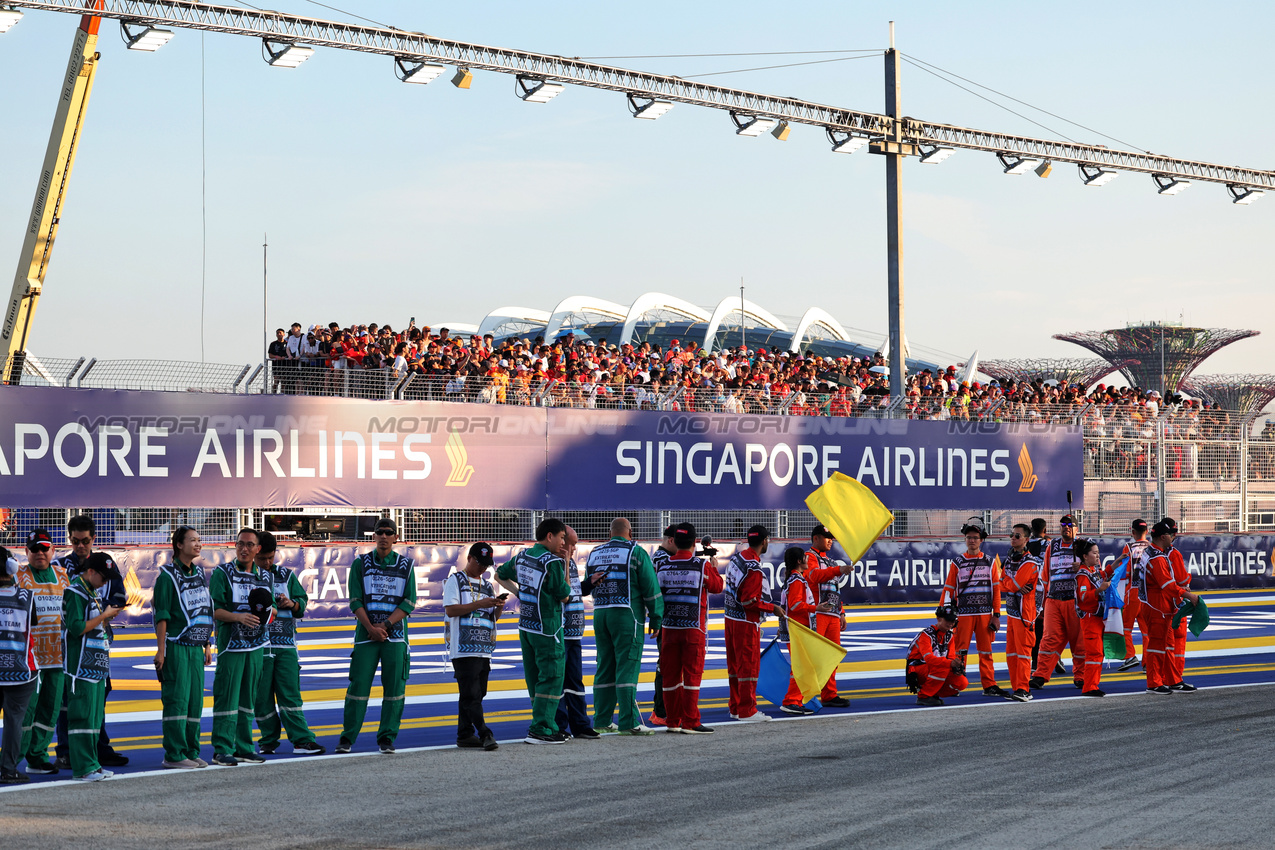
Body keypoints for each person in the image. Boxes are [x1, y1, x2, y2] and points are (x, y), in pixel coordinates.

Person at [53, 515, 127, 770]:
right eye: (75, 541)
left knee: (98, 697)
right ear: (70, 539)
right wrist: (95, 614)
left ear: (93, 539)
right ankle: (66, 750)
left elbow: (119, 597)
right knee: (69, 700)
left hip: (99, 643)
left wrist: (99, 612)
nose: (80, 546)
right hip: (74, 645)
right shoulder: (60, 567)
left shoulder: (106, 566)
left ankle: (98, 747)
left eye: (85, 541)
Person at [338, 518, 417, 754]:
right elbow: (355, 601)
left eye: (388, 532)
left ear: (395, 537)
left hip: (395, 637)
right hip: (366, 637)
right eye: (379, 532)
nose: (383, 536)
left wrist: (384, 624)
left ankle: (386, 738)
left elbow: (409, 602)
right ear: (374, 536)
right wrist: (371, 628)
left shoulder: (407, 565)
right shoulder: (360, 564)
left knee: (394, 690)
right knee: (358, 687)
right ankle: (347, 738)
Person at [582, 517, 663, 735]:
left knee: (605, 667)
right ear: (629, 531)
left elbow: (588, 583)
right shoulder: (635, 552)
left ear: (611, 532)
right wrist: (656, 618)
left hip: (600, 614)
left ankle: (601, 720)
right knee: (627, 666)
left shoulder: (595, 552)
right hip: (627, 615)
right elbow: (650, 587)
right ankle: (628, 722)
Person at [495, 518, 572, 744]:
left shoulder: (522, 556)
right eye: (561, 538)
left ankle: (545, 723)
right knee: (551, 677)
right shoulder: (552, 562)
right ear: (550, 536)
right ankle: (541, 728)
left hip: (526, 626)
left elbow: (500, 575)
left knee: (535, 678)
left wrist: (520, 594)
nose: (563, 543)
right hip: (547, 628)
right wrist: (566, 565)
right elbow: (564, 595)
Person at [254, 532, 324, 756]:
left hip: (285, 647)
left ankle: (302, 740)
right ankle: (268, 740)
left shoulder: (286, 575)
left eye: (270, 557)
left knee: (291, 695)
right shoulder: (245, 577)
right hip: (258, 647)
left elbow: (302, 604)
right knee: (261, 698)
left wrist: (292, 603)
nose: (267, 563)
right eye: (262, 558)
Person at [210, 528, 274, 766]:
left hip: (257, 645)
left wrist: (268, 611)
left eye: (249, 545)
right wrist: (239, 617)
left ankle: (244, 747)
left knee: (248, 698)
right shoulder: (222, 573)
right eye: (240, 544)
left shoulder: (266, 576)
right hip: (232, 646)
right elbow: (214, 610)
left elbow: (273, 610)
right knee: (227, 697)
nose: (244, 549)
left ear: (258, 549)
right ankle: (222, 748)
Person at [153, 526, 214, 769]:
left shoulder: (199, 573)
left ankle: (190, 749)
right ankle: (174, 754)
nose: (198, 544)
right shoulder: (166, 576)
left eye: (199, 540)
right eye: (192, 540)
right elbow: (162, 615)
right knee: (177, 700)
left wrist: (207, 644)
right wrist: (160, 650)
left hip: (196, 647)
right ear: (179, 544)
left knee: (194, 701)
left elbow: (202, 611)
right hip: (176, 646)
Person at [654, 523, 722, 734]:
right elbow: (717, 586)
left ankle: (673, 721)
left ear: (674, 540)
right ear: (694, 542)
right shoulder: (702, 566)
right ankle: (690, 721)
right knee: (692, 675)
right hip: (694, 629)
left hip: (669, 628)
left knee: (670, 675)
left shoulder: (662, 565)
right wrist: (715, 567)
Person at [62, 552, 124, 781]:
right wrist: (104, 616)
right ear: (90, 572)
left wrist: (105, 617)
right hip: (80, 667)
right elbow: (76, 627)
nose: (106, 581)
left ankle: (93, 764)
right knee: (82, 718)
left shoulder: (92, 592)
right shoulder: (74, 592)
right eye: (103, 576)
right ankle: (83, 768)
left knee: (95, 718)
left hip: (96, 665)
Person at [16, 528, 68, 776]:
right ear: (26, 552)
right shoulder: (18, 576)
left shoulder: (62, 575)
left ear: (53, 550)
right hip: (30, 659)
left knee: (50, 709)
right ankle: (11, 761)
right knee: (27, 710)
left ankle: (36, 757)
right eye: (34, 549)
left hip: (58, 656)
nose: (40, 553)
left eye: (44, 547)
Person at [443, 542, 505, 751]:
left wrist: (498, 608)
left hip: (483, 648)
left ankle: (465, 734)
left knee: (476, 694)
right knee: (471, 694)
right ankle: (485, 733)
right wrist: (480, 604)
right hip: (463, 647)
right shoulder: (455, 580)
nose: (483, 568)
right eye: (479, 562)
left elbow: (492, 618)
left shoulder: (488, 586)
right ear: (469, 558)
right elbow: (451, 610)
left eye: (486, 564)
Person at [941, 520, 1008, 699]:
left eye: (975, 538)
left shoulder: (990, 562)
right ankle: (956, 684)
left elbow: (996, 590)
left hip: (985, 615)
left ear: (981, 540)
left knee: (986, 652)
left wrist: (996, 615)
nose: (972, 541)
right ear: (965, 539)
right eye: (969, 537)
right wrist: (943, 613)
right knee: (959, 652)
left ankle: (989, 684)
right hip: (963, 615)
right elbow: (949, 589)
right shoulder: (957, 562)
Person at [1139, 521, 1201, 695]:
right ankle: (1154, 683)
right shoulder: (1157, 558)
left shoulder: (1150, 552)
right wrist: (1189, 595)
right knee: (1157, 646)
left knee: (1165, 645)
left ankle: (1172, 680)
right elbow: (1168, 585)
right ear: (1163, 537)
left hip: (1156, 604)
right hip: (1157, 606)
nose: (1174, 537)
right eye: (1171, 534)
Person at [723, 524, 777, 721]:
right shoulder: (753, 567)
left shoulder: (736, 558)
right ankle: (748, 710)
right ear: (764, 541)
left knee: (734, 665)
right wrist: (773, 609)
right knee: (749, 667)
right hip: (745, 622)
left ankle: (736, 707)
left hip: (729, 619)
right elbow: (750, 601)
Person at [1029, 515, 1086, 690]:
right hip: (1053, 600)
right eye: (1063, 525)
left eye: (1070, 525)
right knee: (1048, 640)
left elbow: (1095, 568)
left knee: (1079, 642)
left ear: (1076, 528)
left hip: (1074, 601)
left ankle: (1081, 676)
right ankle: (1040, 675)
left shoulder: (1083, 545)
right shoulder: (1051, 545)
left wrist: (1082, 566)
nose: (1066, 527)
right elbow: (1044, 576)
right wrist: (1041, 604)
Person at [778, 546, 835, 715]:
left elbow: (787, 606)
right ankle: (791, 700)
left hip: (796, 628)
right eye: (804, 557)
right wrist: (815, 607)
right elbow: (795, 605)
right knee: (800, 668)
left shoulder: (792, 579)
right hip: (798, 629)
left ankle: (795, 699)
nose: (807, 560)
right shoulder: (796, 580)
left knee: (801, 667)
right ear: (799, 561)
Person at [554, 526, 598, 740]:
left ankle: (580, 724)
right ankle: (559, 724)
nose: (574, 547)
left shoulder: (569, 562)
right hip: (559, 630)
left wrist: (589, 584)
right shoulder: (553, 562)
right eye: (571, 542)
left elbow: (572, 591)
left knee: (575, 680)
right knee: (558, 680)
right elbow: (559, 593)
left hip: (574, 631)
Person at [0, 546, 37, 784]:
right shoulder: (26, 597)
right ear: (11, 567)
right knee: (14, 721)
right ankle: (8, 769)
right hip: (19, 670)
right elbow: (32, 626)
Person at [806, 524, 853, 708]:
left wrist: (841, 612)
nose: (830, 540)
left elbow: (835, 589)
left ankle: (829, 694)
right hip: (817, 613)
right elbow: (814, 577)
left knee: (832, 657)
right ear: (815, 538)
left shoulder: (831, 561)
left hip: (832, 614)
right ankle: (804, 694)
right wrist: (838, 570)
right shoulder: (809, 557)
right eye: (827, 537)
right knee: (814, 658)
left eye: (831, 537)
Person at [999, 524, 1039, 702]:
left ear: (1026, 540)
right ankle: (1016, 688)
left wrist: (1009, 583)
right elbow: (1003, 583)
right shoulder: (1009, 560)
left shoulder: (1030, 562)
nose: (1013, 538)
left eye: (1017, 535)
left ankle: (1024, 689)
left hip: (1024, 615)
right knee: (1011, 653)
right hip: (1012, 613)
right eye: (1011, 535)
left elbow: (1010, 585)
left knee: (1023, 653)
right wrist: (1010, 583)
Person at [646, 525, 678, 729]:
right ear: (671, 541)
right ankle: (660, 710)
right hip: (666, 618)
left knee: (666, 664)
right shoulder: (663, 559)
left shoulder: (658, 558)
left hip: (664, 617)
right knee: (666, 664)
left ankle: (662, 708)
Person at [907, 605, 967, 707]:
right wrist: (950, 663)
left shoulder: (949, 636)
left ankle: (933, 693)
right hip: (916, 669)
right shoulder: (926, 635)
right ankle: (924, 696)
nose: (951, 623)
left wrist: (956, 666)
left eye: (953, 621)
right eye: (947, 620)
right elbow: (928, 658)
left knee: (962, 682)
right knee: (942, 667)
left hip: (934, 668)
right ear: (938, 619)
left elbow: (951, 657)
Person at [1162, 518, 1197, 692]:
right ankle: (1176, 679)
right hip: (1175, 603)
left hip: (1157, 605)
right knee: (1178, 642)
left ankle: (1163, 678)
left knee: (1161, 644)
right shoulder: (1173, 554)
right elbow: (1182, 580)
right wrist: (1187, 585)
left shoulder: (1151, 553)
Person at [1073, 539, 1109, 697]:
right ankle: (1089, 686)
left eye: (1098, 553)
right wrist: (1098, 590)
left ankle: (1093, 684)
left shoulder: (1093, 571)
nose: (1097, 556)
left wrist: (1119, 562)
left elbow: (1105, 573)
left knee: (1098, 653)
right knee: (1094, 653)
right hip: (1089, 618)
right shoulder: (1083, 574)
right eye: (1094, 553)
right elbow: (1083, 597)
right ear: (1085, 556)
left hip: (1097, 618)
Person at [1117, 519, 1150, 672]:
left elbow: (1124, 571)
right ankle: (1148, 661)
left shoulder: (1128, 547)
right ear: (1147, 531)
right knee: (1147, 630)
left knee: (1125, 627)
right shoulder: (1153, 548)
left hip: (1133, 591)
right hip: (1148, 594)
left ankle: (1130, 656)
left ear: (1132, 532)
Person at [1027, 517, 1049, 670]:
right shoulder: (1049, 545)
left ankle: (1035, 660)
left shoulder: (1025, 545)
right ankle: (1052, 656)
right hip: (1044, 591)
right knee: (1048, 626)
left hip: (1028, 592)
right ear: (1045, 530)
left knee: (1032, 626)